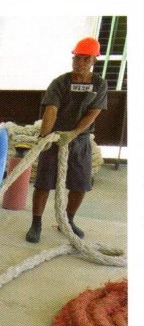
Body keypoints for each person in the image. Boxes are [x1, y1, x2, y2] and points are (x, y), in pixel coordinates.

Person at [25, 37, 108, 243]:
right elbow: (51, 109)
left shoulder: (99, 84)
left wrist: (74, 133)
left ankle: (68, 220)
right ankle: (36, 223)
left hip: (79, 140)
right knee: (43, 183)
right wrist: (44, 137)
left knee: (80, 184)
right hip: (54, 138)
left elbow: (93, 113)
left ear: (93, 61)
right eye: (76, 58)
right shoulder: (60, 82)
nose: (79, 63)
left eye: (84, 59)